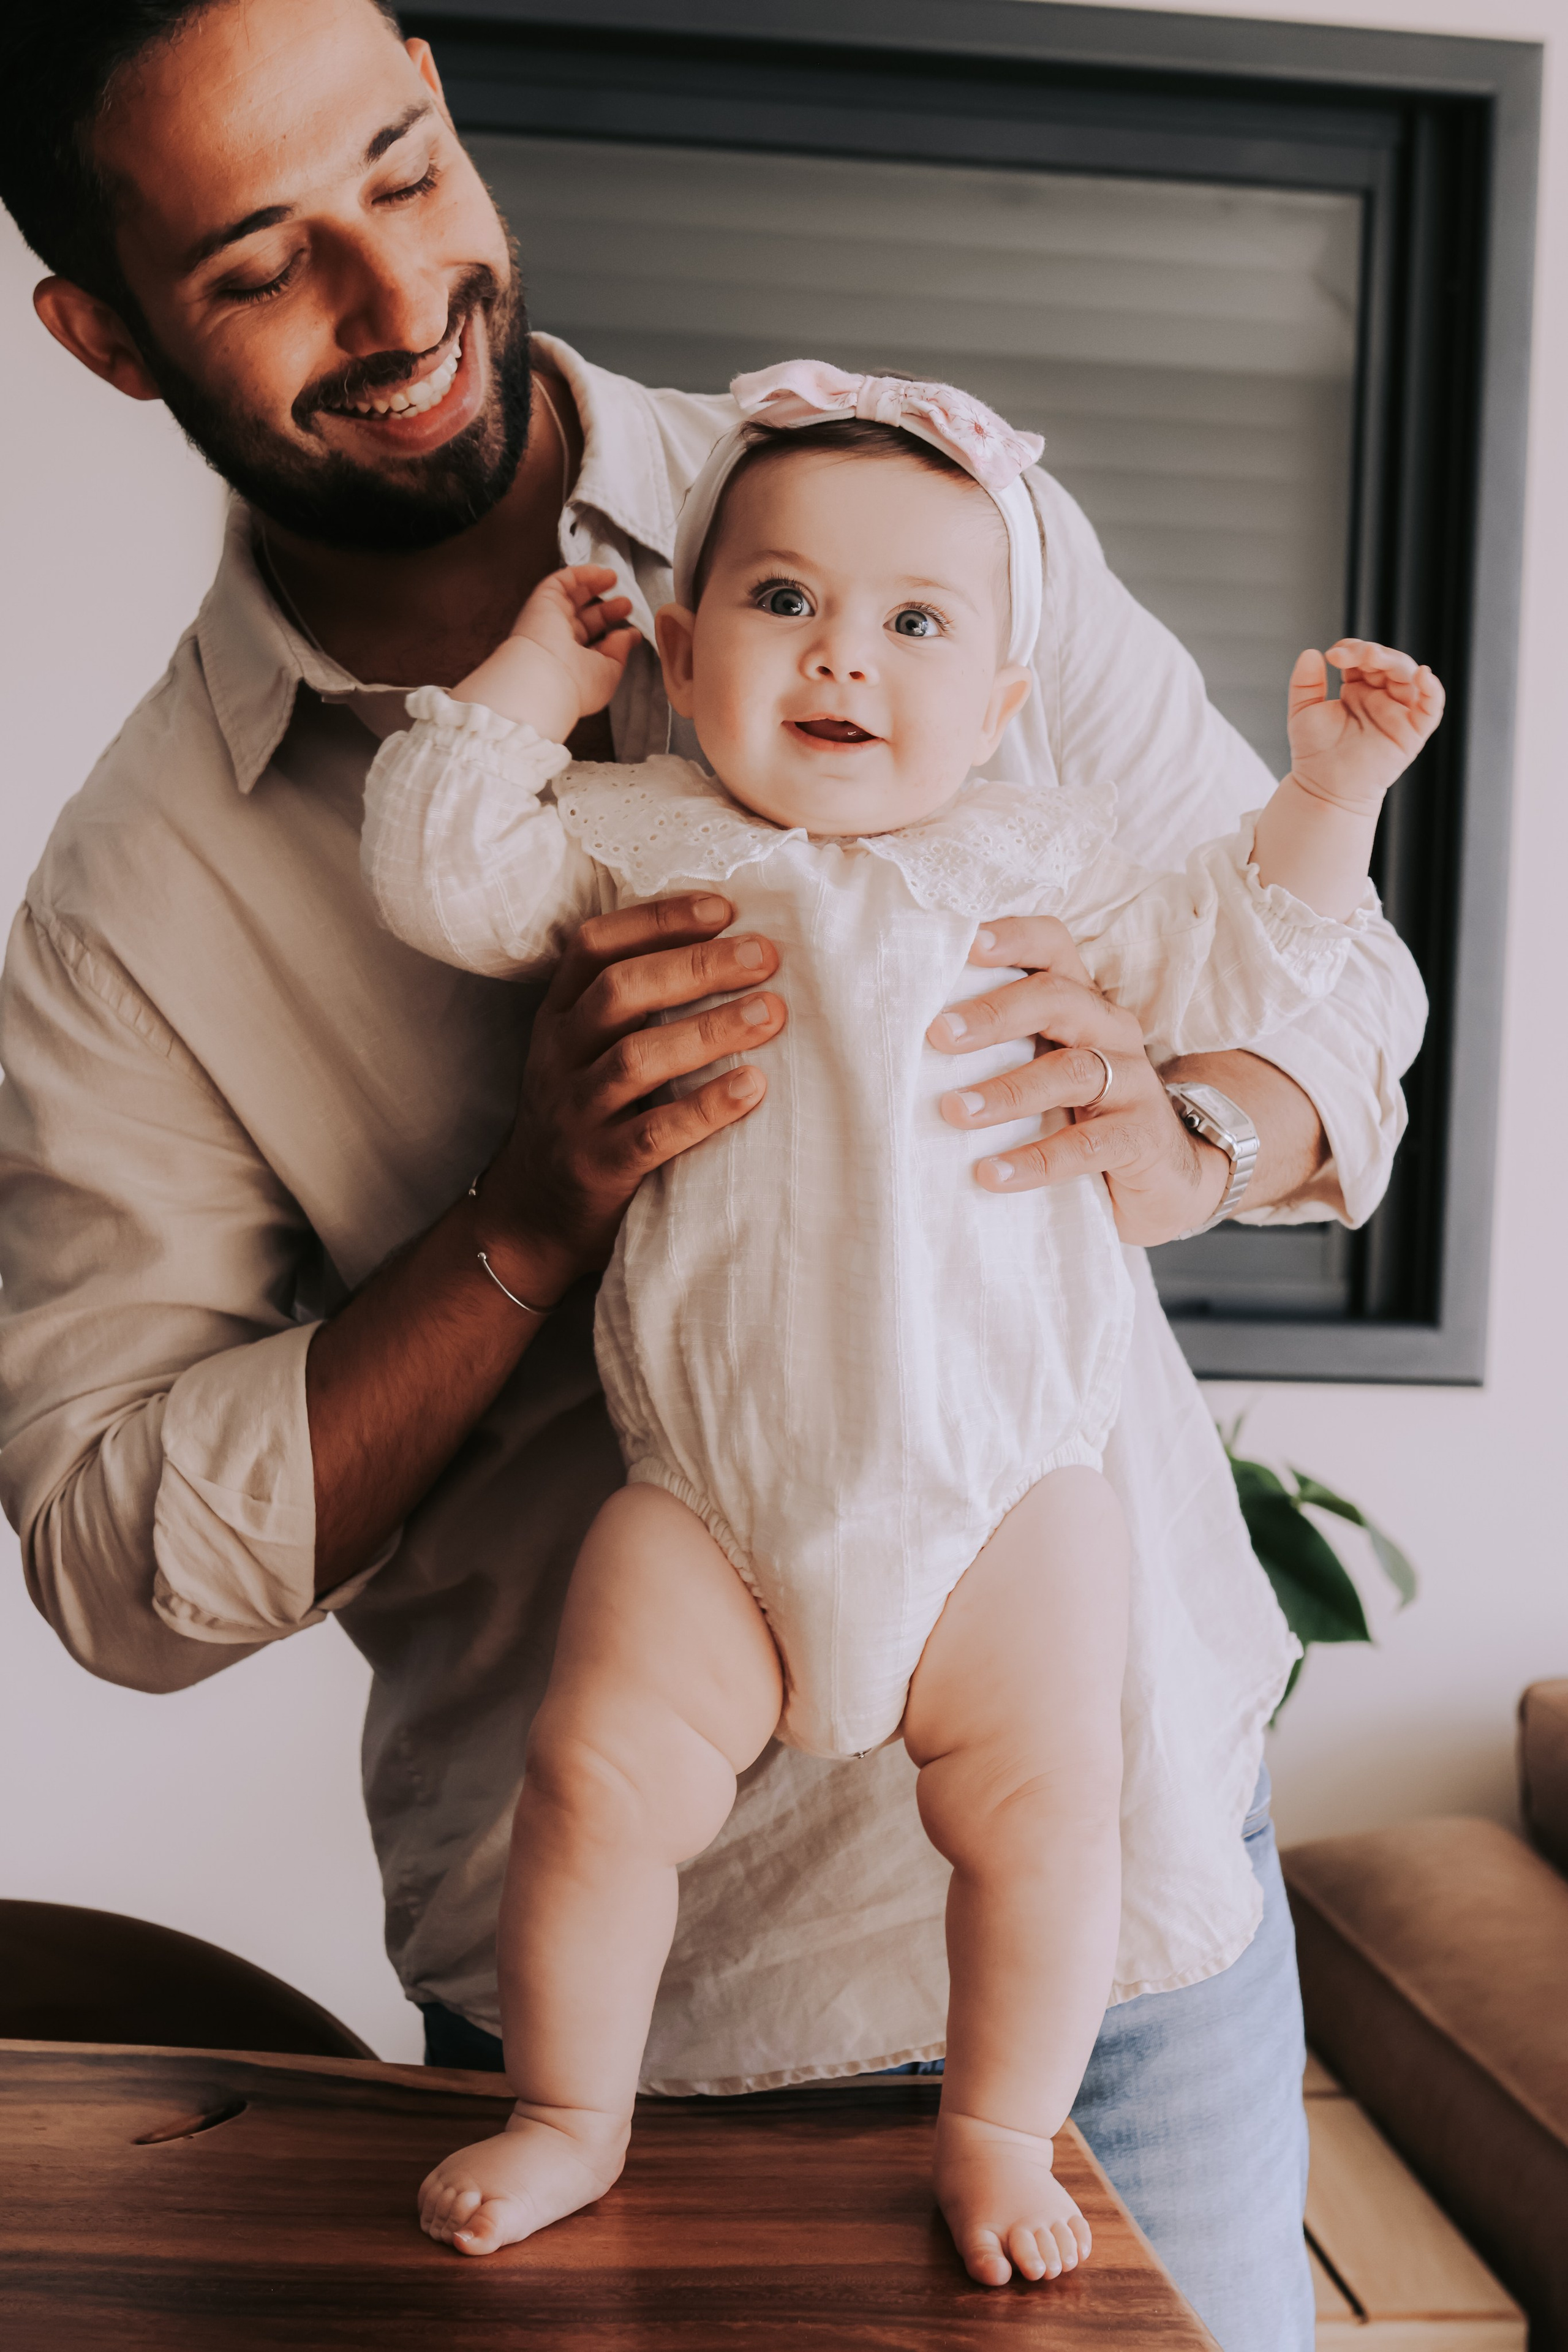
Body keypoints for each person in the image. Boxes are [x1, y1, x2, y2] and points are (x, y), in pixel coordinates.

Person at [0, 4, 1428, 2343]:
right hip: (621, 1988)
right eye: (264, 265)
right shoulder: (136, 910)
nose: (397, 301)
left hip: (1124, 1928)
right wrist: (528, 1216)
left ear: (453, 105)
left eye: (406, 164)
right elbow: (115, 1559)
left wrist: (1186, 1129)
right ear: (107, 335)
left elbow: (1305, 975)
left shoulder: (940, 523)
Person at [361, 364, 1442, 2273]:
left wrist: (1328, 796)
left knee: (1048, 1820)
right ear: (681, 655)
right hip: (714, 1495)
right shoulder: (644, 832)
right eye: (781, 603)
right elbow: (444, 868)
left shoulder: (1037, 862)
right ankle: (567, 2109)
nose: (842, 656)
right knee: (594, 1779)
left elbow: (1249, 953)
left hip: (1009, 1490)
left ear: (1004, 706)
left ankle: (1008, 2136)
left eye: (916, 624)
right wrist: (539, 666)